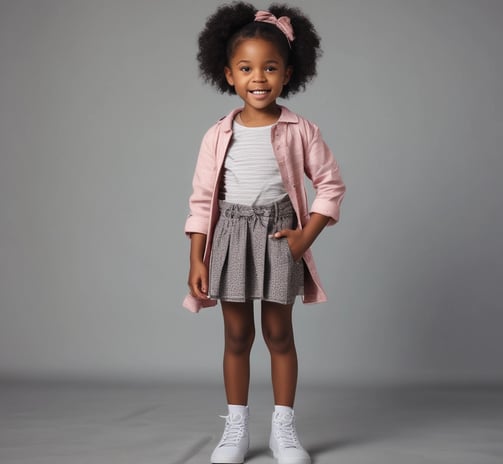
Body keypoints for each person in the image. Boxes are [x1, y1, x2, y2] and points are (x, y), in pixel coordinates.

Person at [183, 2, 345, 463]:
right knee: (236, 336)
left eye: (270, 68)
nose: (259, 78)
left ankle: (283, 430)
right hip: (229, 238)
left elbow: (331, 186)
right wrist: (196, 257)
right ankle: (235, 429)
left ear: (288, 73)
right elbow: (201, 201)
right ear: (229, 75)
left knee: (279, 334)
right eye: (247, 68)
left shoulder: (301, 130)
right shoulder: (217, 135)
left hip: (278, 238)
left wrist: (304, 236)